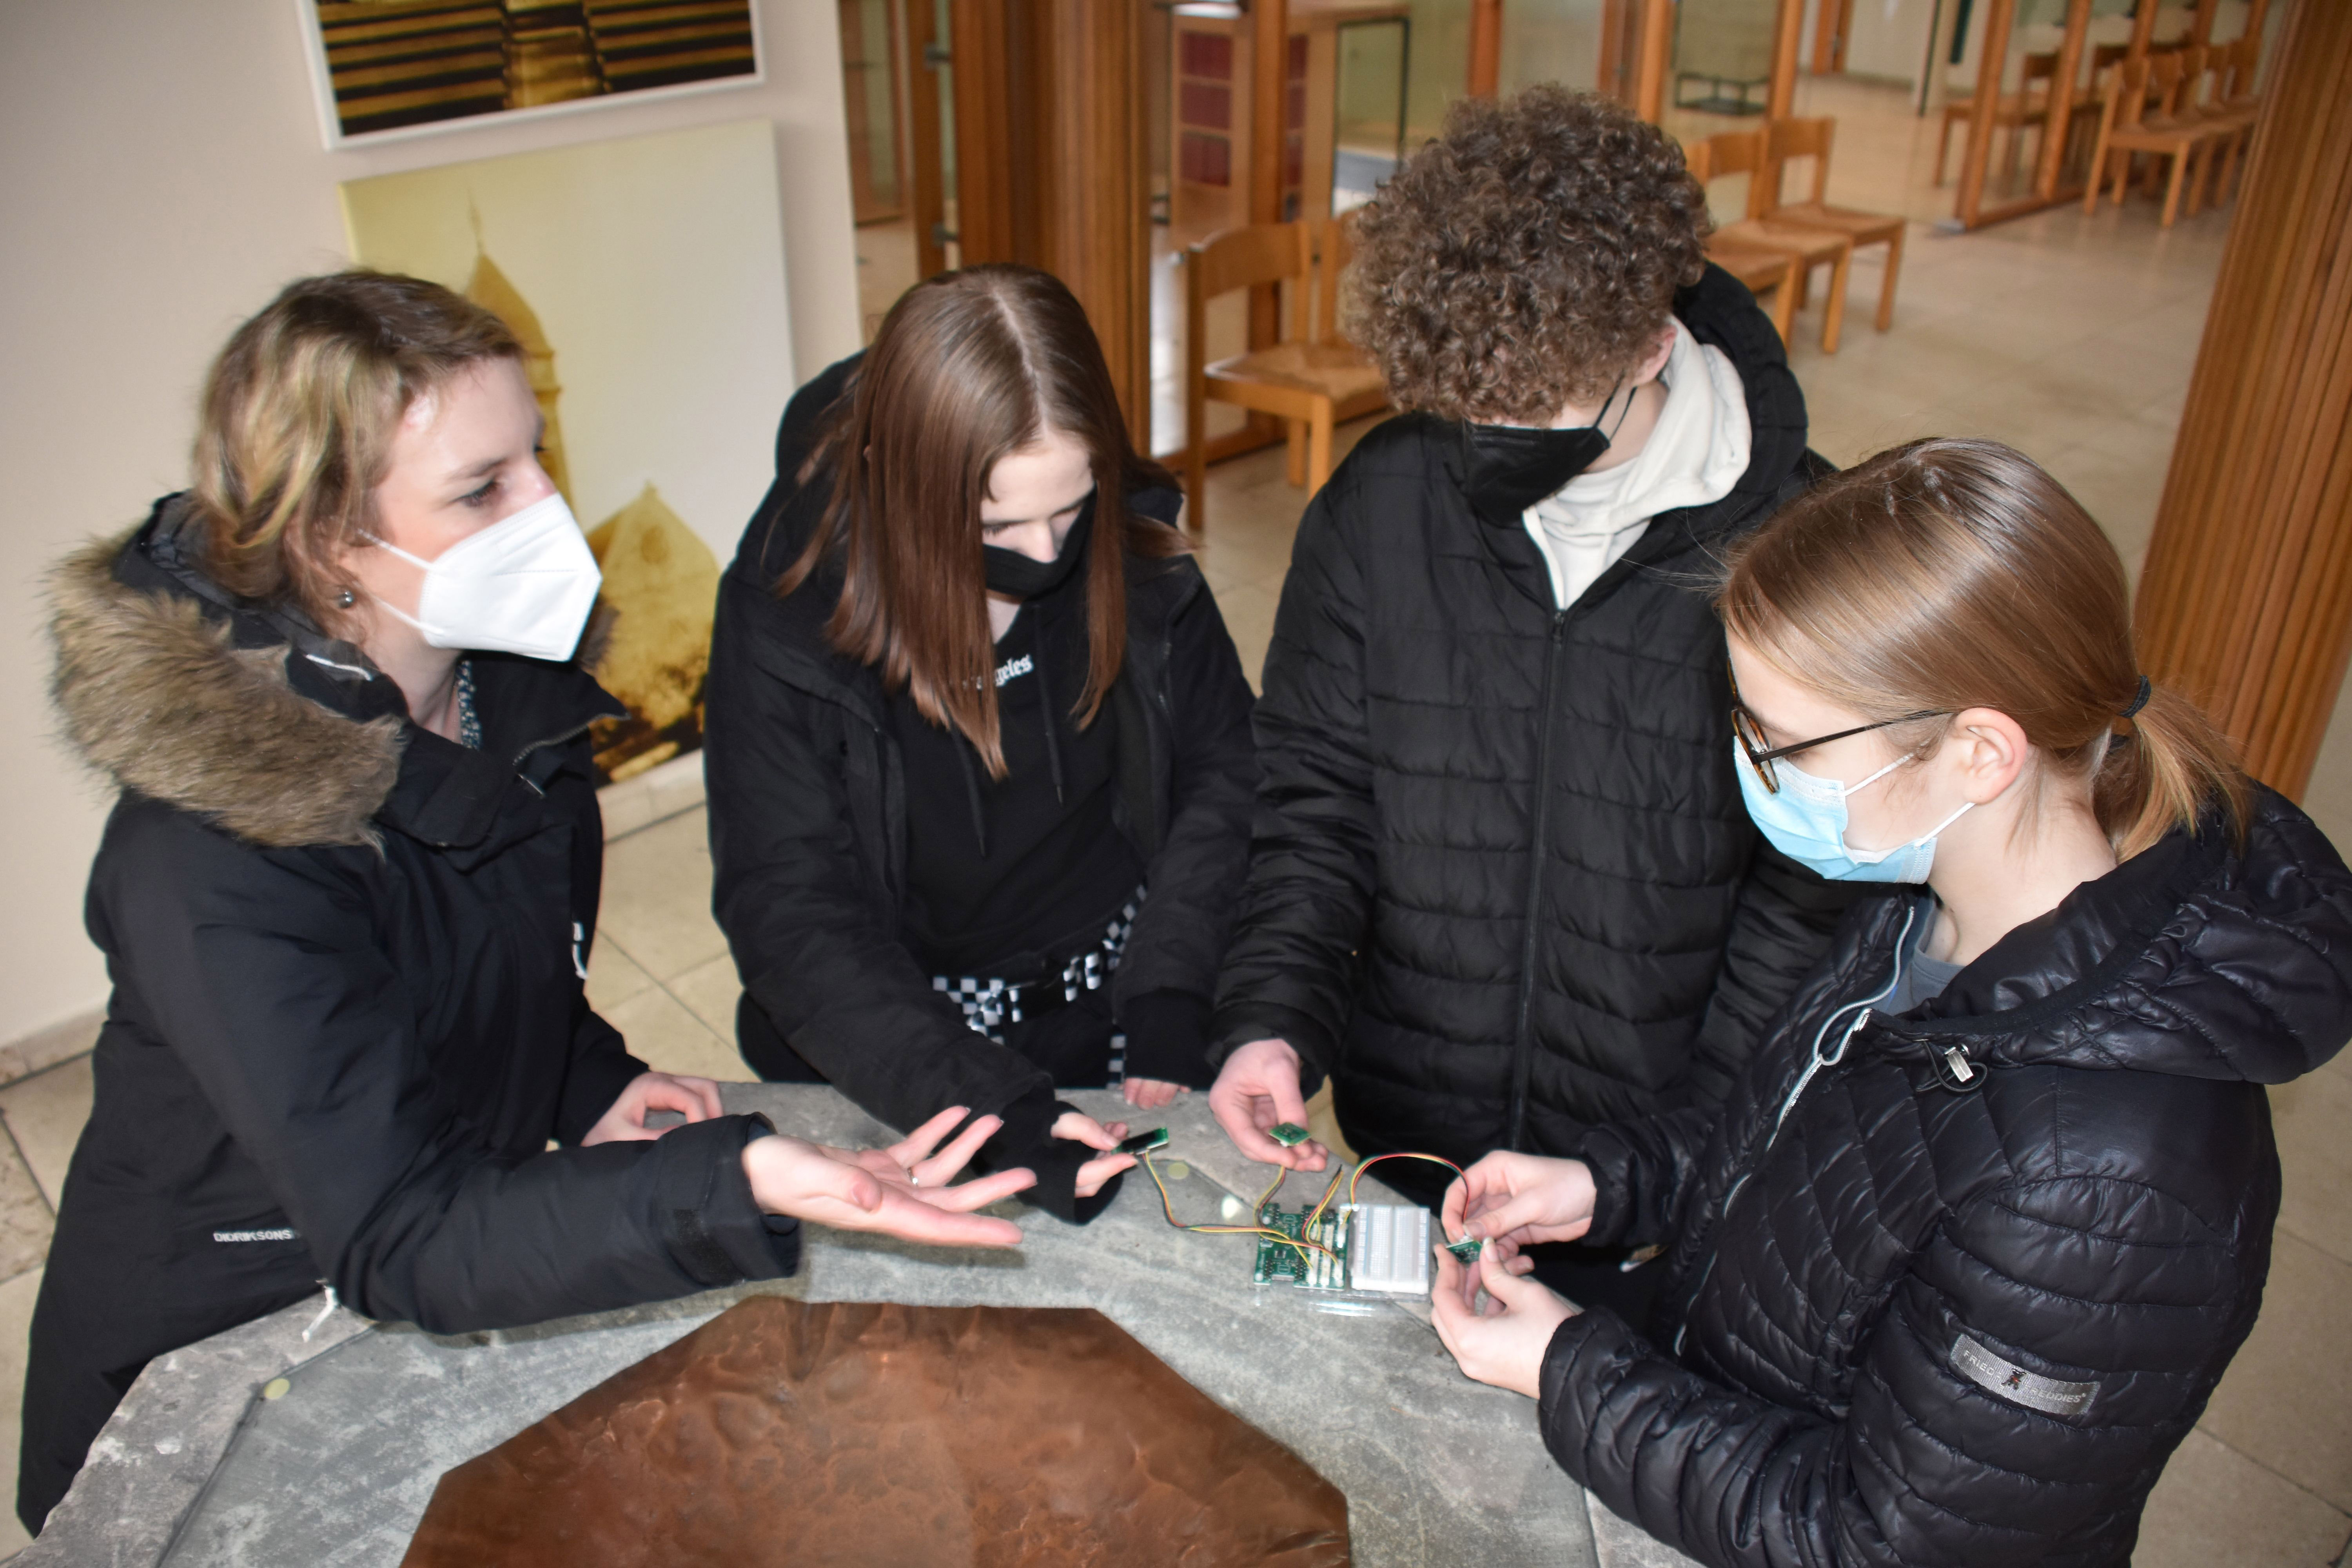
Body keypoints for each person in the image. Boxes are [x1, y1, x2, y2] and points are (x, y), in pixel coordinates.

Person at [23, 272, 1034, 1534]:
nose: (548, 508)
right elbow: (399, 1230)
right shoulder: (209, 855)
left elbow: (478, 968)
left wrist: (580, 1079)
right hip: (220, 1358)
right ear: (331, 541)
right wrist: (733, 1182)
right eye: (481, 488)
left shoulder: (504, 701)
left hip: (422, 1290)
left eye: (538, 458)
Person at [1426, 438, 2352, 1567]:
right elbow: (1821, 1152)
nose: (1750, 764)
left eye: (1780, 739)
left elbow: (1883, 1541)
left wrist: (1568, 1368)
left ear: (1977, 752)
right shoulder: (1927, 902)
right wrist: (1612, 1185)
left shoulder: (2107, 1184)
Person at [1206, 85, 1853, 1313]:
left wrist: (1651, 1169)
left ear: (1651, 347)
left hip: (1646, 1186)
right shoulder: (1382, 505)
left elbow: (1803, 911)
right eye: (1469, 409)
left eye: (1534, 410)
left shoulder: (1801, 548)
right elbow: (1317, 803)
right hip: (1410, 1141)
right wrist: (1273, 1017)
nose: (1490, 441)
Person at [705, 265, 1259, 1226]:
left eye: (1071, 508)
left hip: (1125, 983)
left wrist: (1173, 979)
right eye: (998, 523)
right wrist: (994, 1108)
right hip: (914, 1044)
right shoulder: (790, 605)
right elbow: (790, 910)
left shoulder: (1128, 534)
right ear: (903, 491)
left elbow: (1226, 763)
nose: (1046, 554)